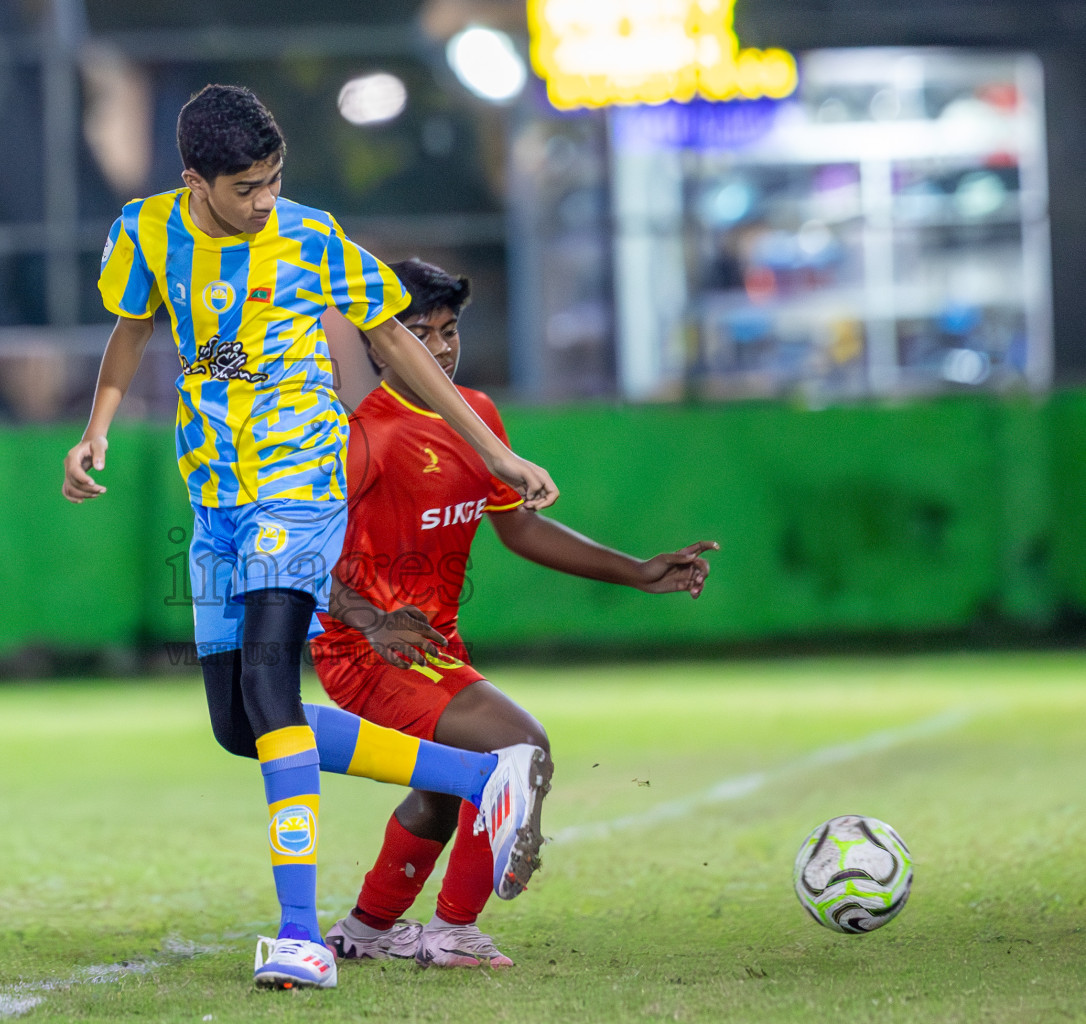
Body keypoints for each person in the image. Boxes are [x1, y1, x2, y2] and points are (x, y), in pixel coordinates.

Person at [62, 86, 561, 990]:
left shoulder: (311, 237)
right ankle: (477, 776)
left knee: (268, 684)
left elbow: (400, 346)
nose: (264, 200)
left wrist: (493, 449)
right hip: (215, 502)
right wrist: (95, 429)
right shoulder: (146, 232)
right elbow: (137, 328)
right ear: (194, 182)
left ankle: (300, 935)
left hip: (297, 488)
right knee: (236, 726)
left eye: (274, 181)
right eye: (247, 187)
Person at [313, 258, 718, 968]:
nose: (440, 347)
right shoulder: (358, 435)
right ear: (381, 342)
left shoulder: (478, 418)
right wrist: (373, 623)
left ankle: (367, 930)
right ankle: (453, 930)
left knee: (442, 795)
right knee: (518, 748)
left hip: (432, 647)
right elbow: (299, 561)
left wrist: (636, 570)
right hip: (365, 651)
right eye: (420, 332)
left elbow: (521, 527)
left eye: (450, 329)